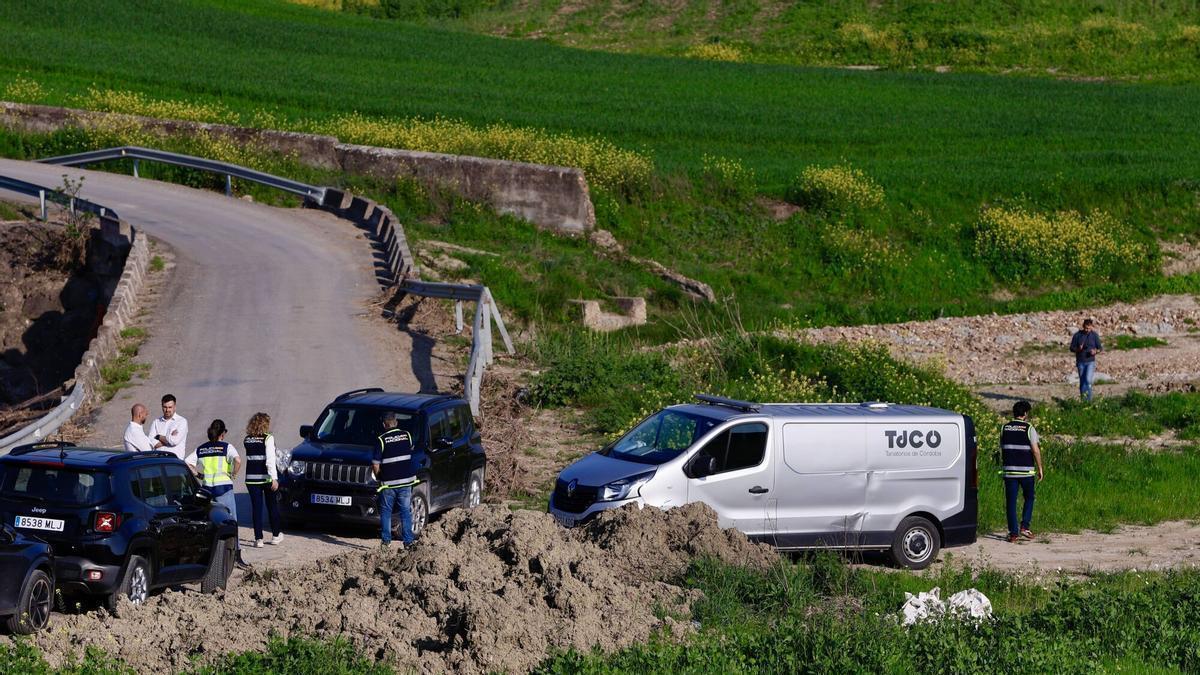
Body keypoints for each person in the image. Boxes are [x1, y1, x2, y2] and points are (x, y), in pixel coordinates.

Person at [189, 419, 250, 570]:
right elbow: (238, 460)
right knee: (231, 521)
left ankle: (210, 555)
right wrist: (233, 474)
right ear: (223, 434)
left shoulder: (201, 449)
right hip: (223, 489)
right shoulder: (226, 447)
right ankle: (236, 556)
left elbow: (187, 463)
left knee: (210, 523)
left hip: (208, 490)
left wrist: (199, 475)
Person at [1000, 401, 1044, 544]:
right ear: (1025, 413)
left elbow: (1002, 447)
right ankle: (1025, 526)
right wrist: (1040, 468)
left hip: (1010, 472)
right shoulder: (1028, 428)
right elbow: (1035, 449)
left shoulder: (1004, 428)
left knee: (1011, 503)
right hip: (1026, 472)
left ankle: (1013, 534)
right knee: (1029, 498)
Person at [372, 412, 416, 549]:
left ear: (384, 424)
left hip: (388, 484)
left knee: (386, 512)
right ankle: (408, 542)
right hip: (406, 482)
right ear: (396, 422)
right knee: (405, 511)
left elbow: (375, 464)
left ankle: (386, 542)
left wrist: (379, 477)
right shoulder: (407, 435)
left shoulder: (381, 440)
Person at [243, 412, 283, 548]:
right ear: (265, 424)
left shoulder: (247, 439)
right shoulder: (268, 438)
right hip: (266, 478)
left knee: (256, 508)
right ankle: (276, 536)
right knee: (272, 506)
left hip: (251, 479)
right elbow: (270, 460)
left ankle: (258, 539)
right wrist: (274, 478)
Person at [1069, 319, 1103, 402]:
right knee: (1083, 381)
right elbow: (1071, 348)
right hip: (1080, 361)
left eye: (1089, 328)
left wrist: (1095, 351)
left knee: (1087, 380)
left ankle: (1089, 400)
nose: (1087, 330)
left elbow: (1100, 348)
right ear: (1083, 326)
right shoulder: (1077, 335)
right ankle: (1084, 401)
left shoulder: (1094, 335)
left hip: (1090, 361)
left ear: (1091, 327)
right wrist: (1078, 349)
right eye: (1086, 328)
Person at [148, 394, 189, 460]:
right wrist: (169, 440)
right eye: (165, 407)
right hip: (159, 460)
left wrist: (158, 437)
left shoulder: (182, 422)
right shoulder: (156, 422)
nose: (167, 410)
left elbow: (174, 441)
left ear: (175, 407)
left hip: (175, 461)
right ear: (161, 406)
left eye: (170, 407)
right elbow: (151, 442)